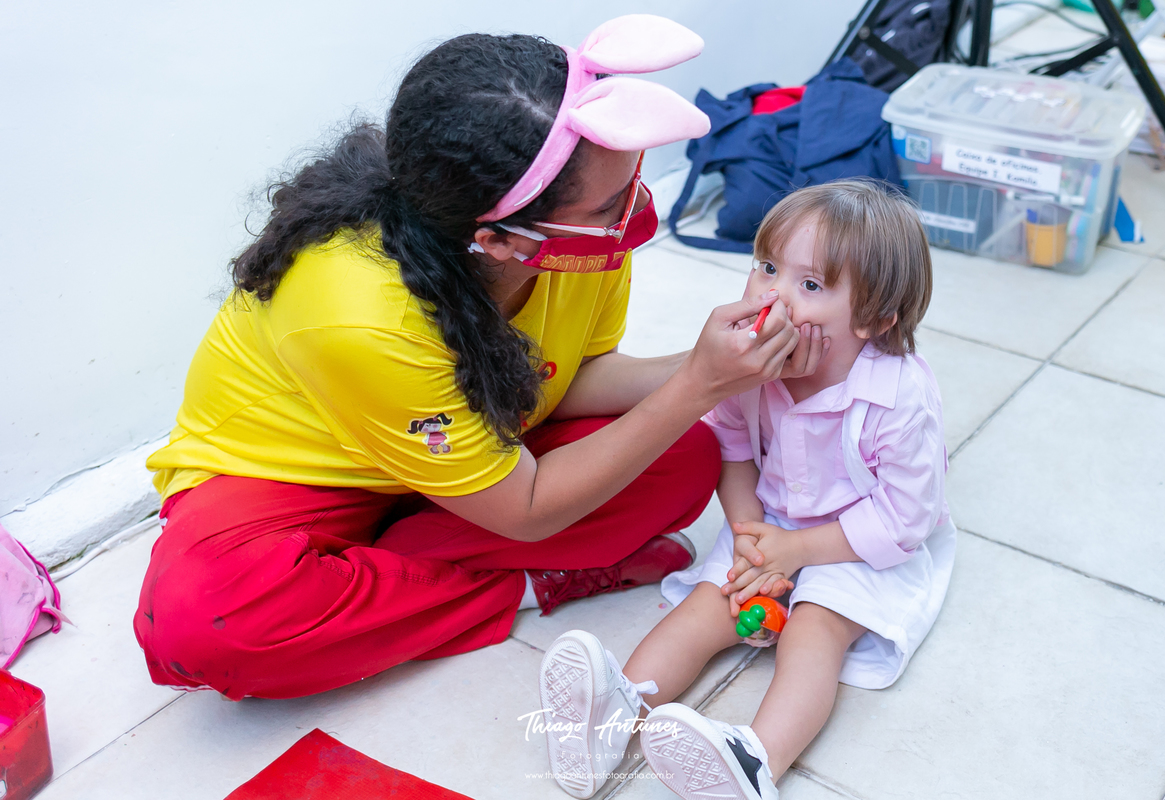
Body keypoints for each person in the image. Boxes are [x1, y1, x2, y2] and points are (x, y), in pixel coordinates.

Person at [132, 15, 831, 701]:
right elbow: (526, 509)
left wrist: (712, 367)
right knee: (205, 624)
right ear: (500, 241)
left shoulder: (575, 238)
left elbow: (568, 379)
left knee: (686, 458)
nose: (637, 209)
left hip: (470, 458)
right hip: (300, 482)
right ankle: (524, 584)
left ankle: (382, 576)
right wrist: (697, 385)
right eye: (610, 205)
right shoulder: (356, 313)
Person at [536, 180, 957, 800]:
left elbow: (903, 522)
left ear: (874, 318)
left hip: (856, 544)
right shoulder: (750, 366)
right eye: (766, 267)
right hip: (769, 530)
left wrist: (796, 553)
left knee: (815, 631)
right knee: (706, 611)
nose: (773, 295)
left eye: (809, 285)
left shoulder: (897, 399)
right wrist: (747, 539)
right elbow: (733, 452)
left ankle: (757, 761)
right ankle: (614, 712)